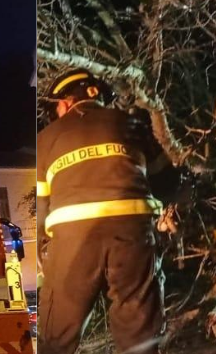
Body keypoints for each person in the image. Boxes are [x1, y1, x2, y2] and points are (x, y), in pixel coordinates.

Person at [36, 68, 173, 354]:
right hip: (133, 233)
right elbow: (165, 181)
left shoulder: (46, 139)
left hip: (73, 238)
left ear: (66, 102)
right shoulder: (132, 124)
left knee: (56, 335)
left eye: (56, 108)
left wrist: (42, 250)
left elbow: (42, 207)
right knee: (139, 335)